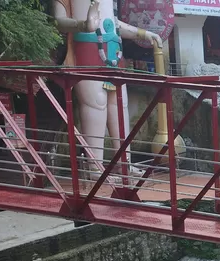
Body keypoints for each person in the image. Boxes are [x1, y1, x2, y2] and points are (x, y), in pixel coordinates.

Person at [51, 0, 162, 181]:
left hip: (114, 49)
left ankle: (124, 164)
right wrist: (82, 25)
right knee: (96, 103)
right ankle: (95, 167)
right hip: (86, 46)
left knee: (120, 104)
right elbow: (59, 21)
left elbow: (114, 22)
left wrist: (142, 33)